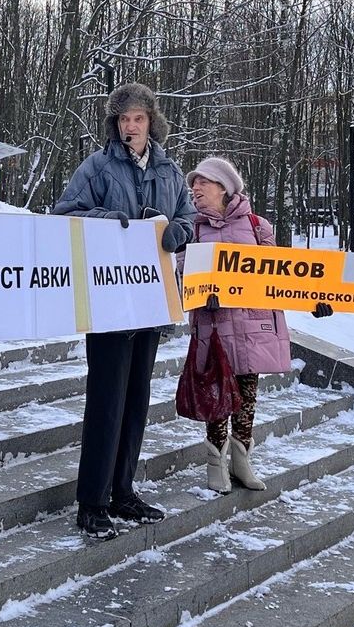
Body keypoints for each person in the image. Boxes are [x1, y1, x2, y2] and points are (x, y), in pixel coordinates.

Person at [52, 82, 196, 539]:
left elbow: (190, 217)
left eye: (138, 118)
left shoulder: (171, 170)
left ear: (152, 122)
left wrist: (178, 230)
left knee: (136, 401)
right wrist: (103, 223)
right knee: (107, 401)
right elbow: (64, 214)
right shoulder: (97, 167)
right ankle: (92, 501)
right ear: (114, 124)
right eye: (123, 119)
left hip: (152, 301)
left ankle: (123, 491)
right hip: (109, 300)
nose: (131, 126)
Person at [180, 156, 332, 494]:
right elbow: (179, 271)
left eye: (203, 181)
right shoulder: (192, 227)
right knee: (216, 393)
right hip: (214, 327)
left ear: (224, 187)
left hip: (251, 325)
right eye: (194, 183)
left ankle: (242, 460)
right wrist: (198, 290)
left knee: (247, 396)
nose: (196, 188)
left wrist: (315, 300)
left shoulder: (257, 226)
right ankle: (215, 463)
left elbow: (281, 275)